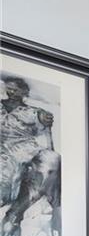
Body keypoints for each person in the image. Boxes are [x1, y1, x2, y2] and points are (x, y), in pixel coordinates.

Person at [1, 75, 55, 207]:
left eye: (16, 90)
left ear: (25, 92)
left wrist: (44, 118)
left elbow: (47, 134)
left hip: (23, 147)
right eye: (9, 89)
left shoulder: (33, 112)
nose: (12, 92)